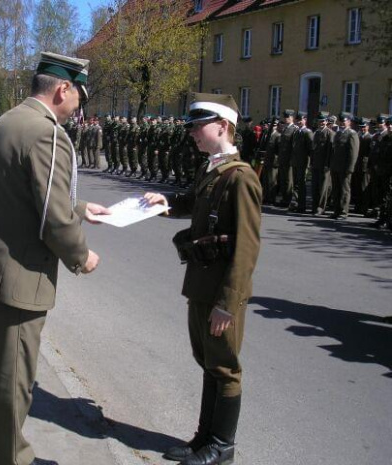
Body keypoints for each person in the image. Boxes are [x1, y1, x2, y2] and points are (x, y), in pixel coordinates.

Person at [0, 52, 110, 465]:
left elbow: (18, 198)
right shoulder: (48, 134)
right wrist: (81, 256)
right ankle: (11, 458)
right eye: (80, 96)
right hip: (19, 277)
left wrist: (81, 209)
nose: (79, 106)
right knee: (14, 380)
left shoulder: (7, 121)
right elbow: (52, 217)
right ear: (64, 89)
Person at [144, 92, 262, 465]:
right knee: (207, 362)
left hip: (220, 293)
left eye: (199, 126)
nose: (193, 133)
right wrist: (161, 203)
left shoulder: (240, 179)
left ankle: (222, 445)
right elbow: (193, 204)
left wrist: (228, 303)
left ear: (223, 126)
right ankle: (203, 438)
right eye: (192, 127)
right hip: (200, 284)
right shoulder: (212, 170)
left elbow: (246, 249)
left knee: (225, 367)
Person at [329, 112, 359, 219]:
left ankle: (343, 211)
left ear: (349, 122)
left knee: (345, 190)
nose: (342, 123)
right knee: (336, 190)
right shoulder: (338, 133)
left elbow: (353, 153)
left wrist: (350, 168)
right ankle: (336, 210)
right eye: (341, 121)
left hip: (345, 167)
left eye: (344, 121)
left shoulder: (352, 134)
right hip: (335, 166)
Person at [289, 112, 313, 212]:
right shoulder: (296, 132)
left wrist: (310, 163)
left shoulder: (307, 132)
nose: (299, 122)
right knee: (296, 184)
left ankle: (302, 206)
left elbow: (311, 149)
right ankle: (297, 203)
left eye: (301, 120)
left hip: (303, 162)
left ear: (305, 120)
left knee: (302, 184)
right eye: (297, 120)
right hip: (295, 162)